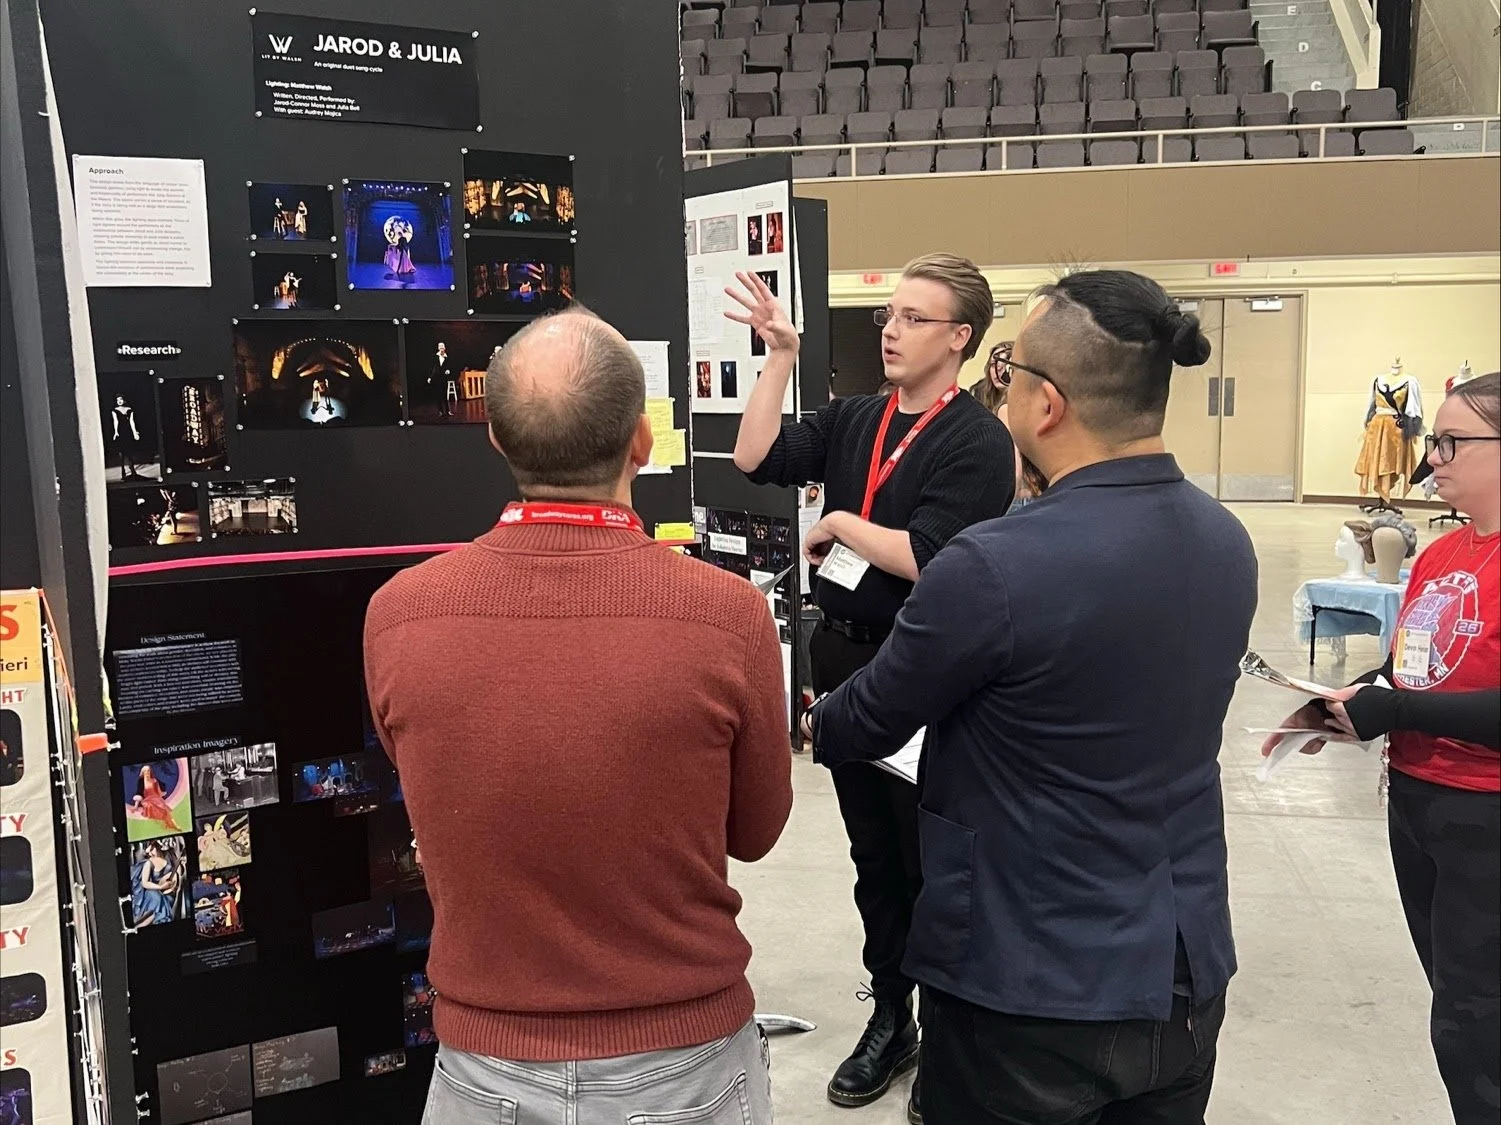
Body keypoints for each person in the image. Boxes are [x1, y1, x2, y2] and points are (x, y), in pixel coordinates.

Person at [808, 269, 1258, 1125]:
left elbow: (864, 718)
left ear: (1044, 405)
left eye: (1008, 367)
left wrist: (806, 712)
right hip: (1183, 975)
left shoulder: (994, 564)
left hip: (1027, 985)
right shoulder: (1224, 540)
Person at [364, 306, 792, 1123]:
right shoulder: (726, 613)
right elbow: (757, 829)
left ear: (496, 439)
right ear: (643, 439)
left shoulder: (399, 613)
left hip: (482, 1064)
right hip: (683, 1061)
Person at [728, 254, 1014, 1116]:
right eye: (889, 314)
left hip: (921, 668)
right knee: (872, 855)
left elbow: (931, 559)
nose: (890, 330)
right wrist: (779, 353)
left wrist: (845, 521)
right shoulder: (859, 416)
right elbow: (754, 457)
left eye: (914, 318)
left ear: (959, 337)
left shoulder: (975, 441)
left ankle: (950, 1026)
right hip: (844, 661)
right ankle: (892, 1014)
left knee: (930, 856)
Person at [1264, 371, 1500, 1125]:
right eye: (1434, 439)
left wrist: (1389, 706)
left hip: (1484, 815)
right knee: (1459, 1005)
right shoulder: (1442, 553)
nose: (1432, 458)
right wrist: (1339, 706)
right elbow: (1412, 667)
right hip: (1418, 800)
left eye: (1452, 441)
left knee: (1474, 1025)